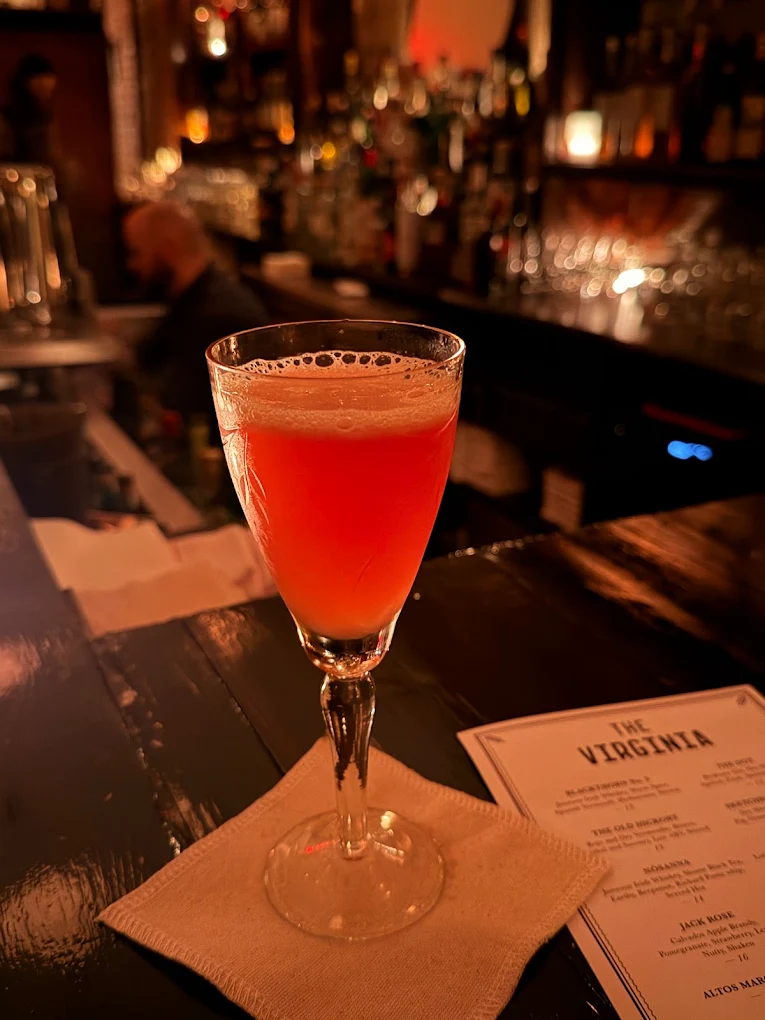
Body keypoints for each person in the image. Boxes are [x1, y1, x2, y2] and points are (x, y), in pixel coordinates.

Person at [122, 200, 268, 428]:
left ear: (168, 248)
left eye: (136, 253)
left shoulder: (222, 318)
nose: (133, 265)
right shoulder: (187, 299)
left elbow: (181, 406)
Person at [0, 54, 61, 169]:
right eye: (40, 82)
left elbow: (52, 154)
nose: (46, 89)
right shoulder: (8, 117)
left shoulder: (46, 116)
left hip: (41, 175)